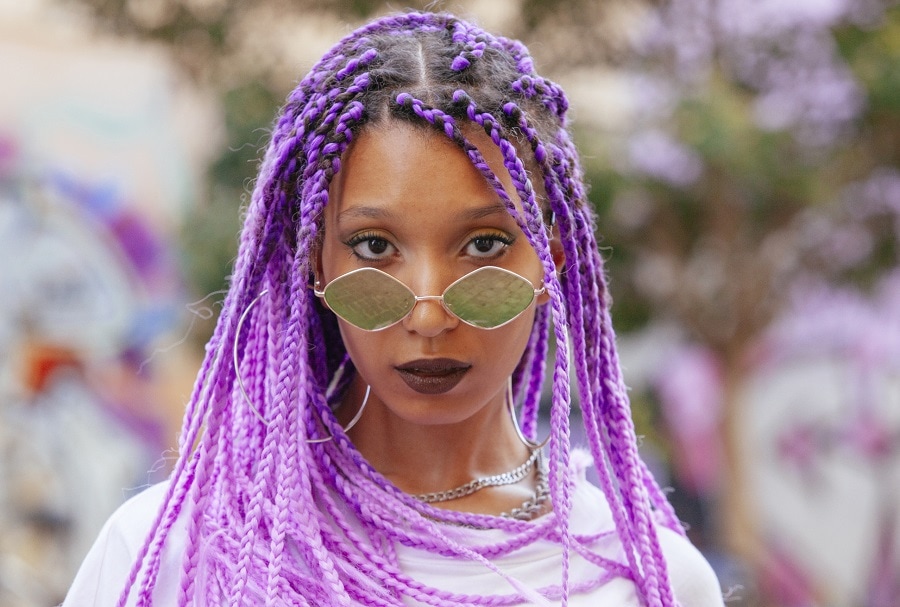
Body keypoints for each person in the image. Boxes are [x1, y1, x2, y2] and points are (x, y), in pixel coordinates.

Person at [63, 11, 724, 607]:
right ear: (316, 261)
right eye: (375, 245)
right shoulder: (170, 555)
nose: (429, 314)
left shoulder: (646, 580)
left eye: (484, 244)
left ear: (549, 263)